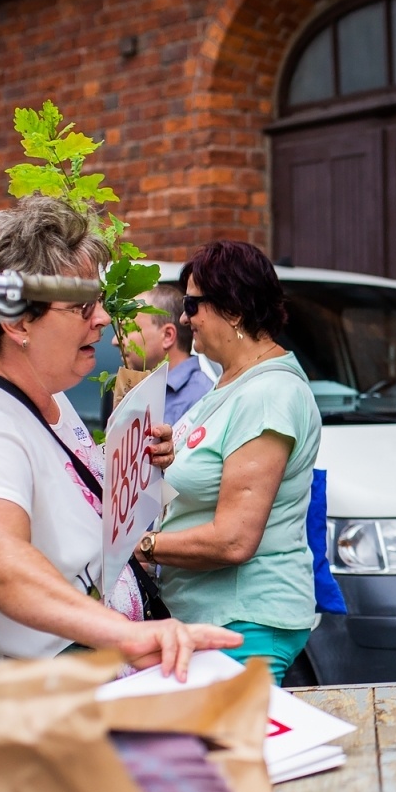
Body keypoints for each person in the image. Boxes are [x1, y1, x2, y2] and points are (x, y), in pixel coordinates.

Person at [0, 197, 238, 707]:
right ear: (17, 322)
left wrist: (132, 467)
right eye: (82, 305)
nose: (102, 318)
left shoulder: (45, 389)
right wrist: (124, 635)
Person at [138, 241, 323, 684]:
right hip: (213, 618)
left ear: (234, 309)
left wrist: (139, 546)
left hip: (243, 622)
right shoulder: (233, 383)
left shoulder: (267, 395)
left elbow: (234, 541)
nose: (184, 318)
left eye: (192, 304)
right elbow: (212, 469)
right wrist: (171, 455)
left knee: (229, 753)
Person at [116, 282, 215, 426]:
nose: (115, 340)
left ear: (168, 336)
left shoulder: (202, 398)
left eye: (127, 328)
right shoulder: (139, 388)